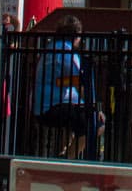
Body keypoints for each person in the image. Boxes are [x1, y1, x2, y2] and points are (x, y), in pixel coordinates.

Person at [34, 16, 93, 158]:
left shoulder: (52, 48)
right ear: (76, 35)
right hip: (52, 107)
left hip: (42, 105)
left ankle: (63, 153)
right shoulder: (67, 53)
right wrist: (92, 105)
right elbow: (81, 82)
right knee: (93, 124)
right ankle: (67, 160)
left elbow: (64, 81)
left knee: (75, 120)